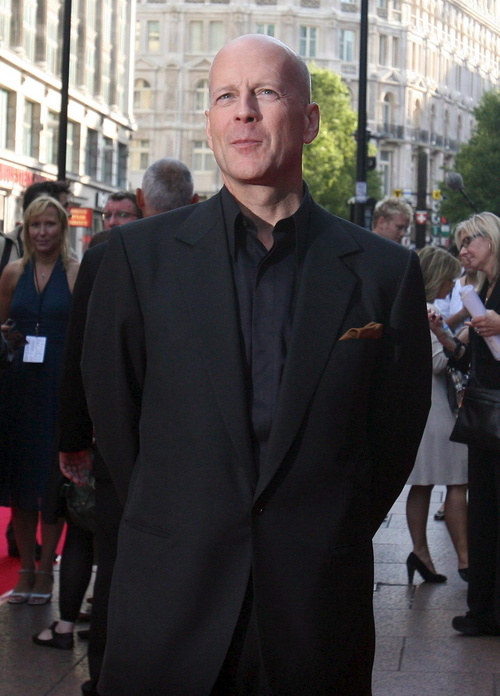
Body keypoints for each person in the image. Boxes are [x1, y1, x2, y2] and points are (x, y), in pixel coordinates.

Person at [82, 35, 431, 696]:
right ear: (210, 122)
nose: (243, 111)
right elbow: (117, 427)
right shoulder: (136, 260)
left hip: (315, 614)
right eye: (225, 96)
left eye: (265, 92)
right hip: (169, 611)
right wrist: (183, 514)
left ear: (310, 121)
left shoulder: (385, 274)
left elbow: (393, 434)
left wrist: (322, 525)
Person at [55, 159, 198, 696]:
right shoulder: (206, 253)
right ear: (192, 201)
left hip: (120, 440)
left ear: (141, 199)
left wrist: (73, 438)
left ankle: (108, 675)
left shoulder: (106, 253)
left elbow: (81, 354)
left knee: (117, 561)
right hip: (189, 440)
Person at [0, 196, 79, 605]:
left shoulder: (75, 272)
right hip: (20, 387)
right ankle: (26, 569)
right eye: (35, 225)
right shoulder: (13, 272)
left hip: (58, 387)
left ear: (62, 227)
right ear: (26, 229)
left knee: (51, 482)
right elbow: (0, 324)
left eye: (49, 224)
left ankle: (47, 568)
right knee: (19, 481)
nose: (42, 232)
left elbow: (84, 333)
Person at [431, 212, 500, 637]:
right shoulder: (480, 290)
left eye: (468, 241)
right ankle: (483, 609)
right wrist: (444, 336)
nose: (462, 250)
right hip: (483, 414)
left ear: (490, 240)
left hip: (493, 412)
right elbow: (468, 359)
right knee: (485, 512)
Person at [405, 246, 469, 584]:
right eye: (449, 279)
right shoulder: (427, 311)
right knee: (458, 480)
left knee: (422, 483)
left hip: (420, 407)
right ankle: (466, 559)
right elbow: (437, 362)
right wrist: (461, 338)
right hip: (439, 410)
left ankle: (420, 553)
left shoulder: (411, 307)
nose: (452, 286)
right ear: (438, 278)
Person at [0, 180, 72, 277]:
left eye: (50, 224)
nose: (69, 214)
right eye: (64, 207)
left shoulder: (70, 260)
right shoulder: (4, 247)